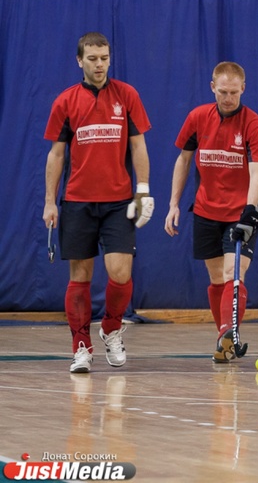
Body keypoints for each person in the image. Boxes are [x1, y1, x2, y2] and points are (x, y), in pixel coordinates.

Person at [43, 32, 154, 374]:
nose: (100, 64)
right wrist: (50, 202)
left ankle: (110, 328)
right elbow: (57, 154)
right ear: (80, 61)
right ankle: (81, 346)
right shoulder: (65, 101)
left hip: (119, 202)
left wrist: (143, 190)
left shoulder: (127, 95)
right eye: (92, 59)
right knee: (81, 276)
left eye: (104, 58)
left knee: (120, 273)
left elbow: (138, 145)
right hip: (77, 201)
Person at [165, 62, 258, 362]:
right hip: (206, 210)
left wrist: (250, 212)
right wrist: (173, 204)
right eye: (223, 92)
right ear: (212, 87)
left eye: (234, 93)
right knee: (215, 279)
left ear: (243, 89)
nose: (228, 98)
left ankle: (228, 333)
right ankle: (224, 337)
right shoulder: (198, 118)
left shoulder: (254, 126)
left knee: (233, 273)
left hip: (240, 213)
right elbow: (183, 160)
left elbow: (257, 174)